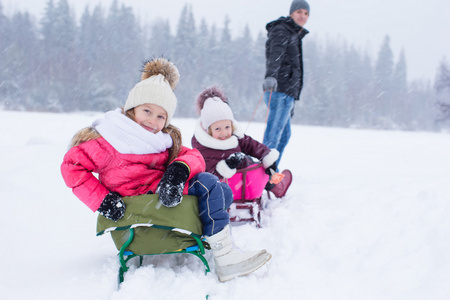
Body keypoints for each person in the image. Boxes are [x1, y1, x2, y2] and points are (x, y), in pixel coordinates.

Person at [60, 58, 271, 282]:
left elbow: (193, 155)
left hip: (159, 197)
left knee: (222, 192)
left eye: (161, 116)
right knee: (209, 185)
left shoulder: (161, 141)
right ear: (132, 109)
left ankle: (219, 244)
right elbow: (71, 166)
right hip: (134, 208)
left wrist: (178, 170)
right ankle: (225, 256)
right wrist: (103, 200)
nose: (152, 121)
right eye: (147, 111)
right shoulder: (110, 139)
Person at [191, 86, 292, 198]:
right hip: (232, 188)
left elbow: (251, 145)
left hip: (244, 182)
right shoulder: (204, 148)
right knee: (258, 168)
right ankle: (277, 186)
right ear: (208, 130)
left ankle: (275, 183)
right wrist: (227, 166)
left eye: (227, 127)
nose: (224, 133)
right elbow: (208, 174)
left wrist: (266, 155)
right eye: (217, 129)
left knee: (262, 163)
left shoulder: (235, 137)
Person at [262, 0, 310, 169]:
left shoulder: (294, 34)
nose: (302, 16)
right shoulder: (282, 30)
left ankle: (272, 170)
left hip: (288, 92)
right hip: (279, 89)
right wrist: (271, 77)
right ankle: (264, 173)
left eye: (306, 13)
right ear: (291, 13)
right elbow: (275, 55)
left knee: (284, 135)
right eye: (299, 12)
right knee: (274, 134)